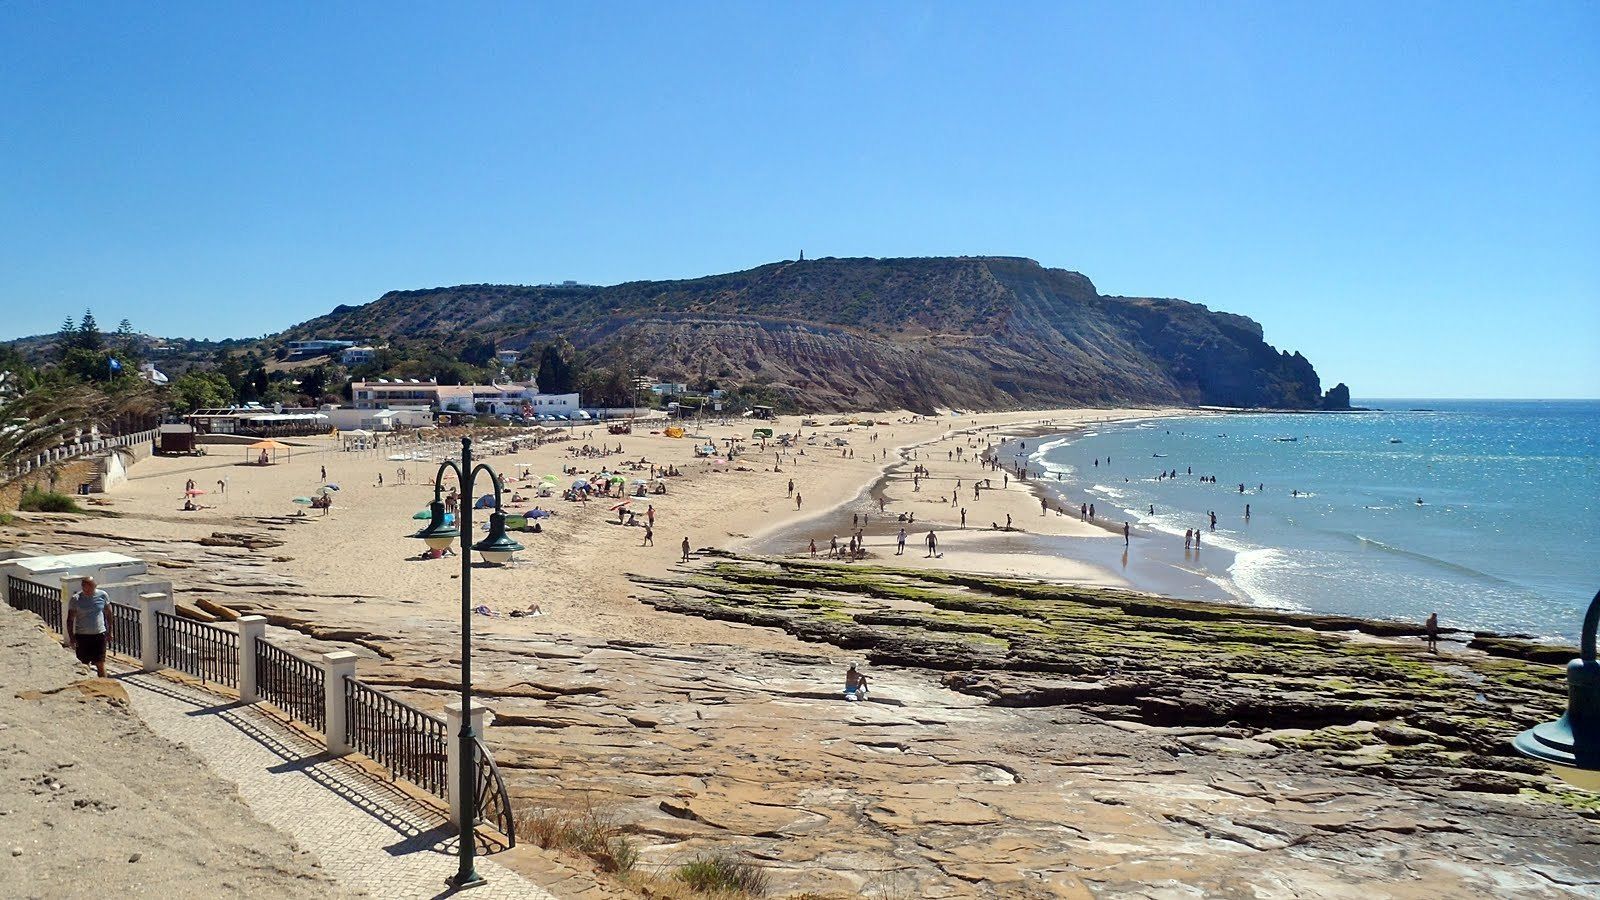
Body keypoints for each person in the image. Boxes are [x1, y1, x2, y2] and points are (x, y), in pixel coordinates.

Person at [66, 576, 110, 678]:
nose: (91, 589)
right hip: (82, 636)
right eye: (89, 586)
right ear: (83, 586)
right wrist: (71, 638)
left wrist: (110, 631)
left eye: (93, 586)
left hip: (99, 634)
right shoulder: (76, 599)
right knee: (83, 663)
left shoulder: (102, 595)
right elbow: (70, 619)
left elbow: (108, 613)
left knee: (100, 662)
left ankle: (105, 685)